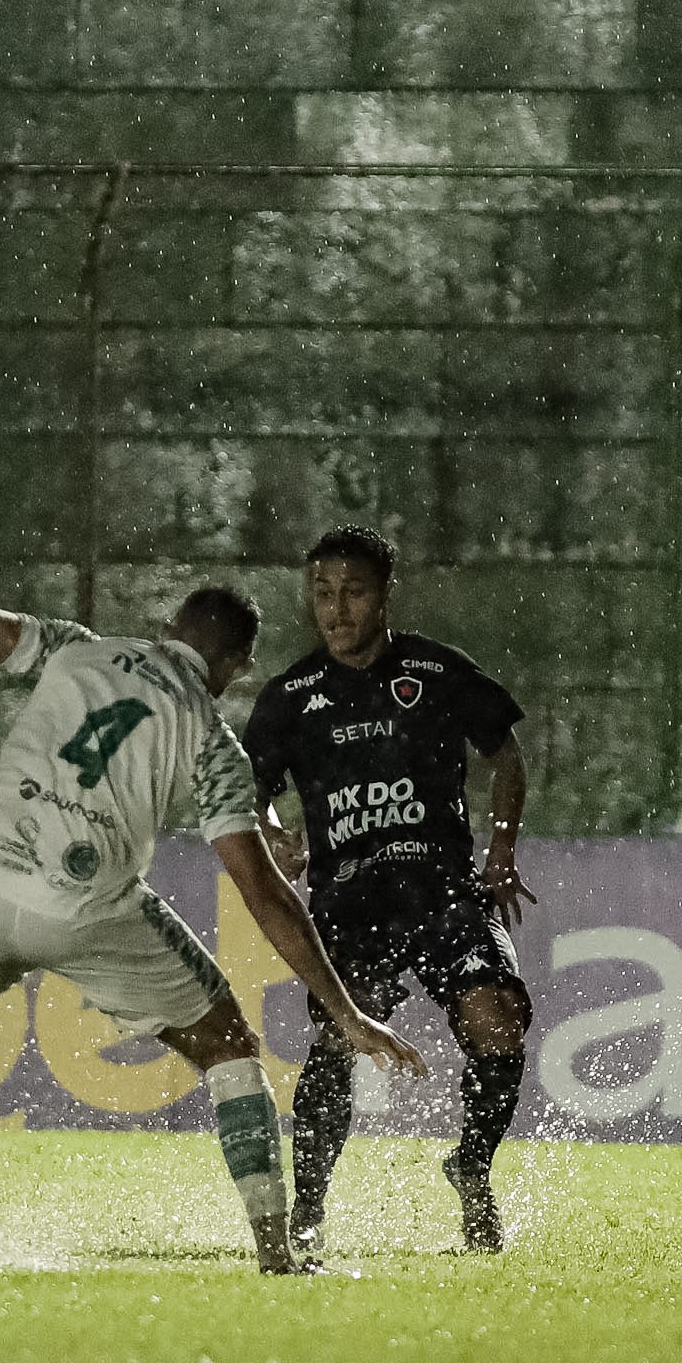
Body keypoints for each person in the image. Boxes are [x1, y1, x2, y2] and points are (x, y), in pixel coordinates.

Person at [0, 587, 426, 1274]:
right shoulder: (210, 739)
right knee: (229, 1043)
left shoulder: (76, 647)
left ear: (167, 627)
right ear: (235, 665)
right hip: (78, 907)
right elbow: (262, 890)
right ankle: (276, 1252)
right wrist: (345, 1012)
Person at [241, 524, 537, 1254]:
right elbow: (248, 790)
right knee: (343, 1036)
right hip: (350, 900)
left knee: (497, 1016)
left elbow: (507, 757)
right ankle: (306, 1214)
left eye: (353, 592)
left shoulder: (437, 673)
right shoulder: (292, 697)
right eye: (323, 594)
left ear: (383, 596)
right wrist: (275, 833)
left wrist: (501, 845)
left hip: (443, 889)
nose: (337, 610)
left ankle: (471, 1166)